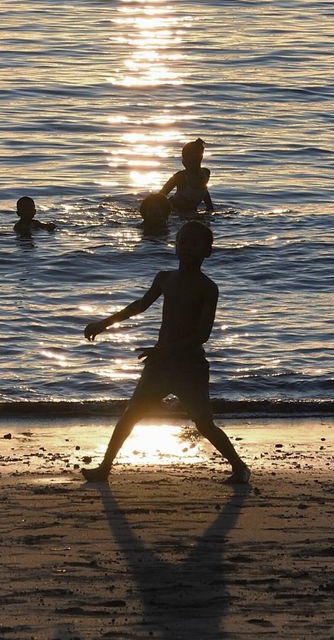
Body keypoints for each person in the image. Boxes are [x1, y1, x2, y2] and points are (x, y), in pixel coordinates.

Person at [80, 221, 249, 485]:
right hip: (160, 365)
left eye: (195, 243)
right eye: (183, 241)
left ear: (208, 251)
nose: (187, 247)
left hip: (189, 367)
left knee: (204, 424)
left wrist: (164, 350)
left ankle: (240, 468)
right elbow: (139, 306)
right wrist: (103, 323)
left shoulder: (208, 288)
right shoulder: (165, 278)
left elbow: (202, 335)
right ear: (175, 246)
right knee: (131, 415)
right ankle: (104, 468)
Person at [157, 138, 213, 213]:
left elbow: (204, 192)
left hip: (192, 212)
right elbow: (160, 196)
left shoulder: (205, 173)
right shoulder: (180, 177)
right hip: (174, 211)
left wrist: (210, 210)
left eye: (194, 159)